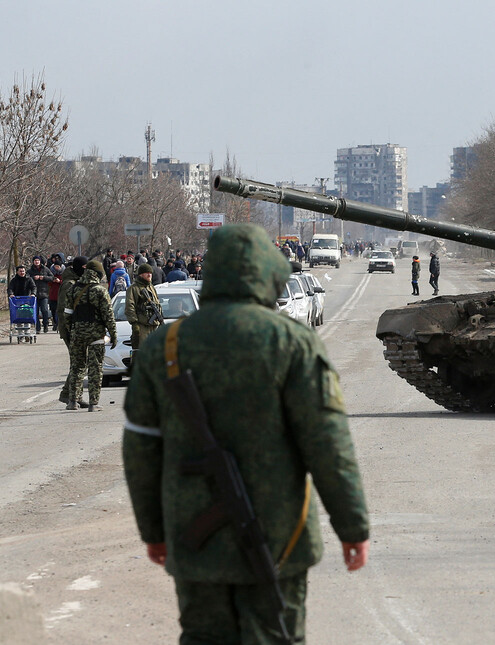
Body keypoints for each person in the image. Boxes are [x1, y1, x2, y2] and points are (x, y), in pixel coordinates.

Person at [122, 224, 369, 643]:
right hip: (280, 536)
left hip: (193, 537)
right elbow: (327, 444)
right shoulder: (292, 342)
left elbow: (141, 448)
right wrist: (352, 527)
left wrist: (153, 531)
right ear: (269, 276)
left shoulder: (165, 346)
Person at [62, 259, 115, 412]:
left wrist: (72, 330)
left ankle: (73, 401)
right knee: (95, 368)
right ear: (98, 274)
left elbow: (67, 314)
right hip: (96, 335)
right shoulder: (100, 290)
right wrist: (113, 334)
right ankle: (93, 403)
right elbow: (108, 316)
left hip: (77, 333)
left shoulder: (73, 289)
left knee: (77, 367)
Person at [57, 257, 89, 408]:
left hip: (78, 328)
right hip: (71, 329)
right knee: (79, 362)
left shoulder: (78, 282)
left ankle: (76, 395)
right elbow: (65, 310)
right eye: (84, 266)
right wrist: (69, 330)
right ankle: (68, 394)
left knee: (80, 361)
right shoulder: (69, 285)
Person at [125, 263, 162, 350]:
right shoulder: (134, 288)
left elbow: (157, 303)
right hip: (142, 326)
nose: (149, 275)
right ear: (141, 274)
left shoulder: (151, 287)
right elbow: (130, 307)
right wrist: (134, 324)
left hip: (154, 325)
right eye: (147, 273)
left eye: (150, 273)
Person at [29, 256, 53, 332]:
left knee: (45, 310)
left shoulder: (45, 269)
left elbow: (52, 277)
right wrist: (33, 278)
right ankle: (38, 327)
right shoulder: (30, 270)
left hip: (44, 293)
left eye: (38, 260)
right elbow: (26, 279)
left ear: (40, 261)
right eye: (35, 260)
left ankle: (45, 324)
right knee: (35, 311)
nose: (36, 262)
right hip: (34, 294)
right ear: (33, 262)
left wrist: (44, 278)